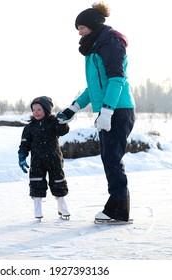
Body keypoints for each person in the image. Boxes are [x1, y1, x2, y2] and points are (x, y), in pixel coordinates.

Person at [57, 2, 136, 222]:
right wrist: (73, 108)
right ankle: (117, 206)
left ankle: (118, 210)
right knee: (109, 159)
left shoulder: (111, 44)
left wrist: (108, 111)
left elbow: (117, 79)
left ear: (92, 25)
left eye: (81, 27)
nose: (79, 32)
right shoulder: (95, 48)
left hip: (119, 109)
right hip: (109, 110)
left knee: (112, 159)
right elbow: (95, 88)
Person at [18, 96, 70, 220]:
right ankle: (37, 208)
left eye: (39, 109)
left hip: (54, 158)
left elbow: (63, 131)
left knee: (58, 182)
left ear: (46, 110)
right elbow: (24, 144)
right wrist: (22, 156)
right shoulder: (29, 128)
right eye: (33, 110)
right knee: (36, 183)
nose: (35, 112)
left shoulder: (53, 122)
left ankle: (62, 206)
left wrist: (63, 122)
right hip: (37, 161)